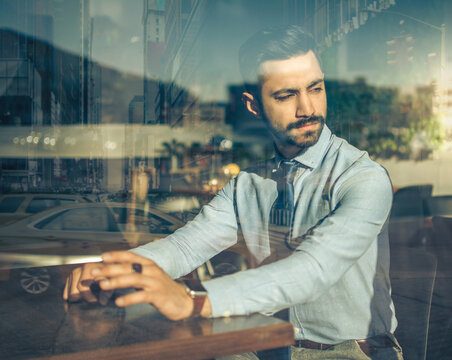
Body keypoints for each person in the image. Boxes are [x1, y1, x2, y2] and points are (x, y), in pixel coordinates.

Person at [64, 25, 402, 360]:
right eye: (286, 95)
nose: (308, 108)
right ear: (253, 105)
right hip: (267, 344)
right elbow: (185, 246)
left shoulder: (363, 178)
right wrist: (114, 272)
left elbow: (313, 268)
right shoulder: (249, 184)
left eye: (315, 89)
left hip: (352, 351)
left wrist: (193, 300)